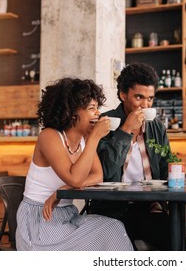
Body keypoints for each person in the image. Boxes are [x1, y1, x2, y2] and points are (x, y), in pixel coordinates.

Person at [16, 78, 133, 251]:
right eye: (91, 109)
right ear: (71, 113)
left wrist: (61, 191)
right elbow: (76, 179)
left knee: (114, 228)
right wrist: (95, 137)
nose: (97, 114)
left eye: (97, 108)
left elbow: (97, 176)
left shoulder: (84, 139)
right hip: (40, 219)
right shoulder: (49, 136)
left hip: (68, 215)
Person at [88, 63, 185, 251]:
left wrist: (178, 174)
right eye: (139, 97)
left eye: (150, 99)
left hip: (148, 208)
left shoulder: (156, 127)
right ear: (123, 95)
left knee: (180, 247)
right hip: (113, 209)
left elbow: (166, 166)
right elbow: (105, 172)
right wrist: (126, 130)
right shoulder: (105, 124)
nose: (145, 105)